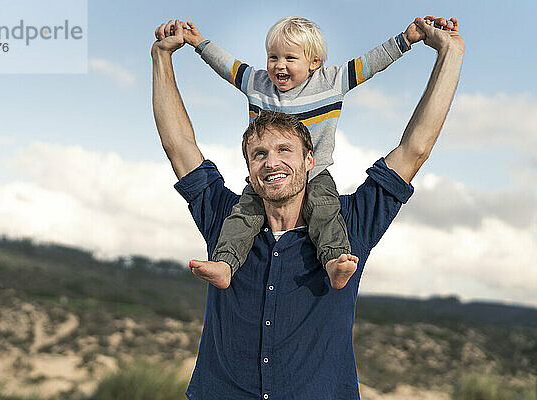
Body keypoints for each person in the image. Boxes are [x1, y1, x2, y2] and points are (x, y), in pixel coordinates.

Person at [152, 15, 464, 400]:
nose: (271, 162)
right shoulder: (226, 218)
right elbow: (178, 145)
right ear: (248, 168)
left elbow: (415, 149)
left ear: (309, 160)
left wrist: (449, 53)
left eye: (285, 150)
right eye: (259, 154)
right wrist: (162, 58)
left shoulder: (350, 223)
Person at [177, 16, 449, 290]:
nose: (279, 65)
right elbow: (226, 65)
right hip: (269, 181)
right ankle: (225, 264)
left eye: (290, 58)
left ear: (314, 63)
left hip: (315, 173)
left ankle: (333, 262)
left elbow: (371, 63)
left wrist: (406, 39)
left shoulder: (330, 82)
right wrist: (199, 42)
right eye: (273, 57)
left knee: (324, 211)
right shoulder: (257, 84)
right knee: (244, 215)